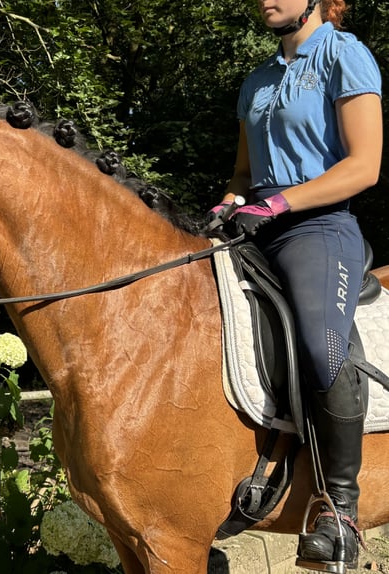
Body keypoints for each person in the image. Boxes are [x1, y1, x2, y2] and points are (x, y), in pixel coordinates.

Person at [209, 0, 383, 567]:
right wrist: (232, 200)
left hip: (319, 227)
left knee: (318, 343)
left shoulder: (344, 54)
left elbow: (364, 166)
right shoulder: (257, 80)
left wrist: (281, 202)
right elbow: (242, 172)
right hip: (255, 223)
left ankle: (340, 512)